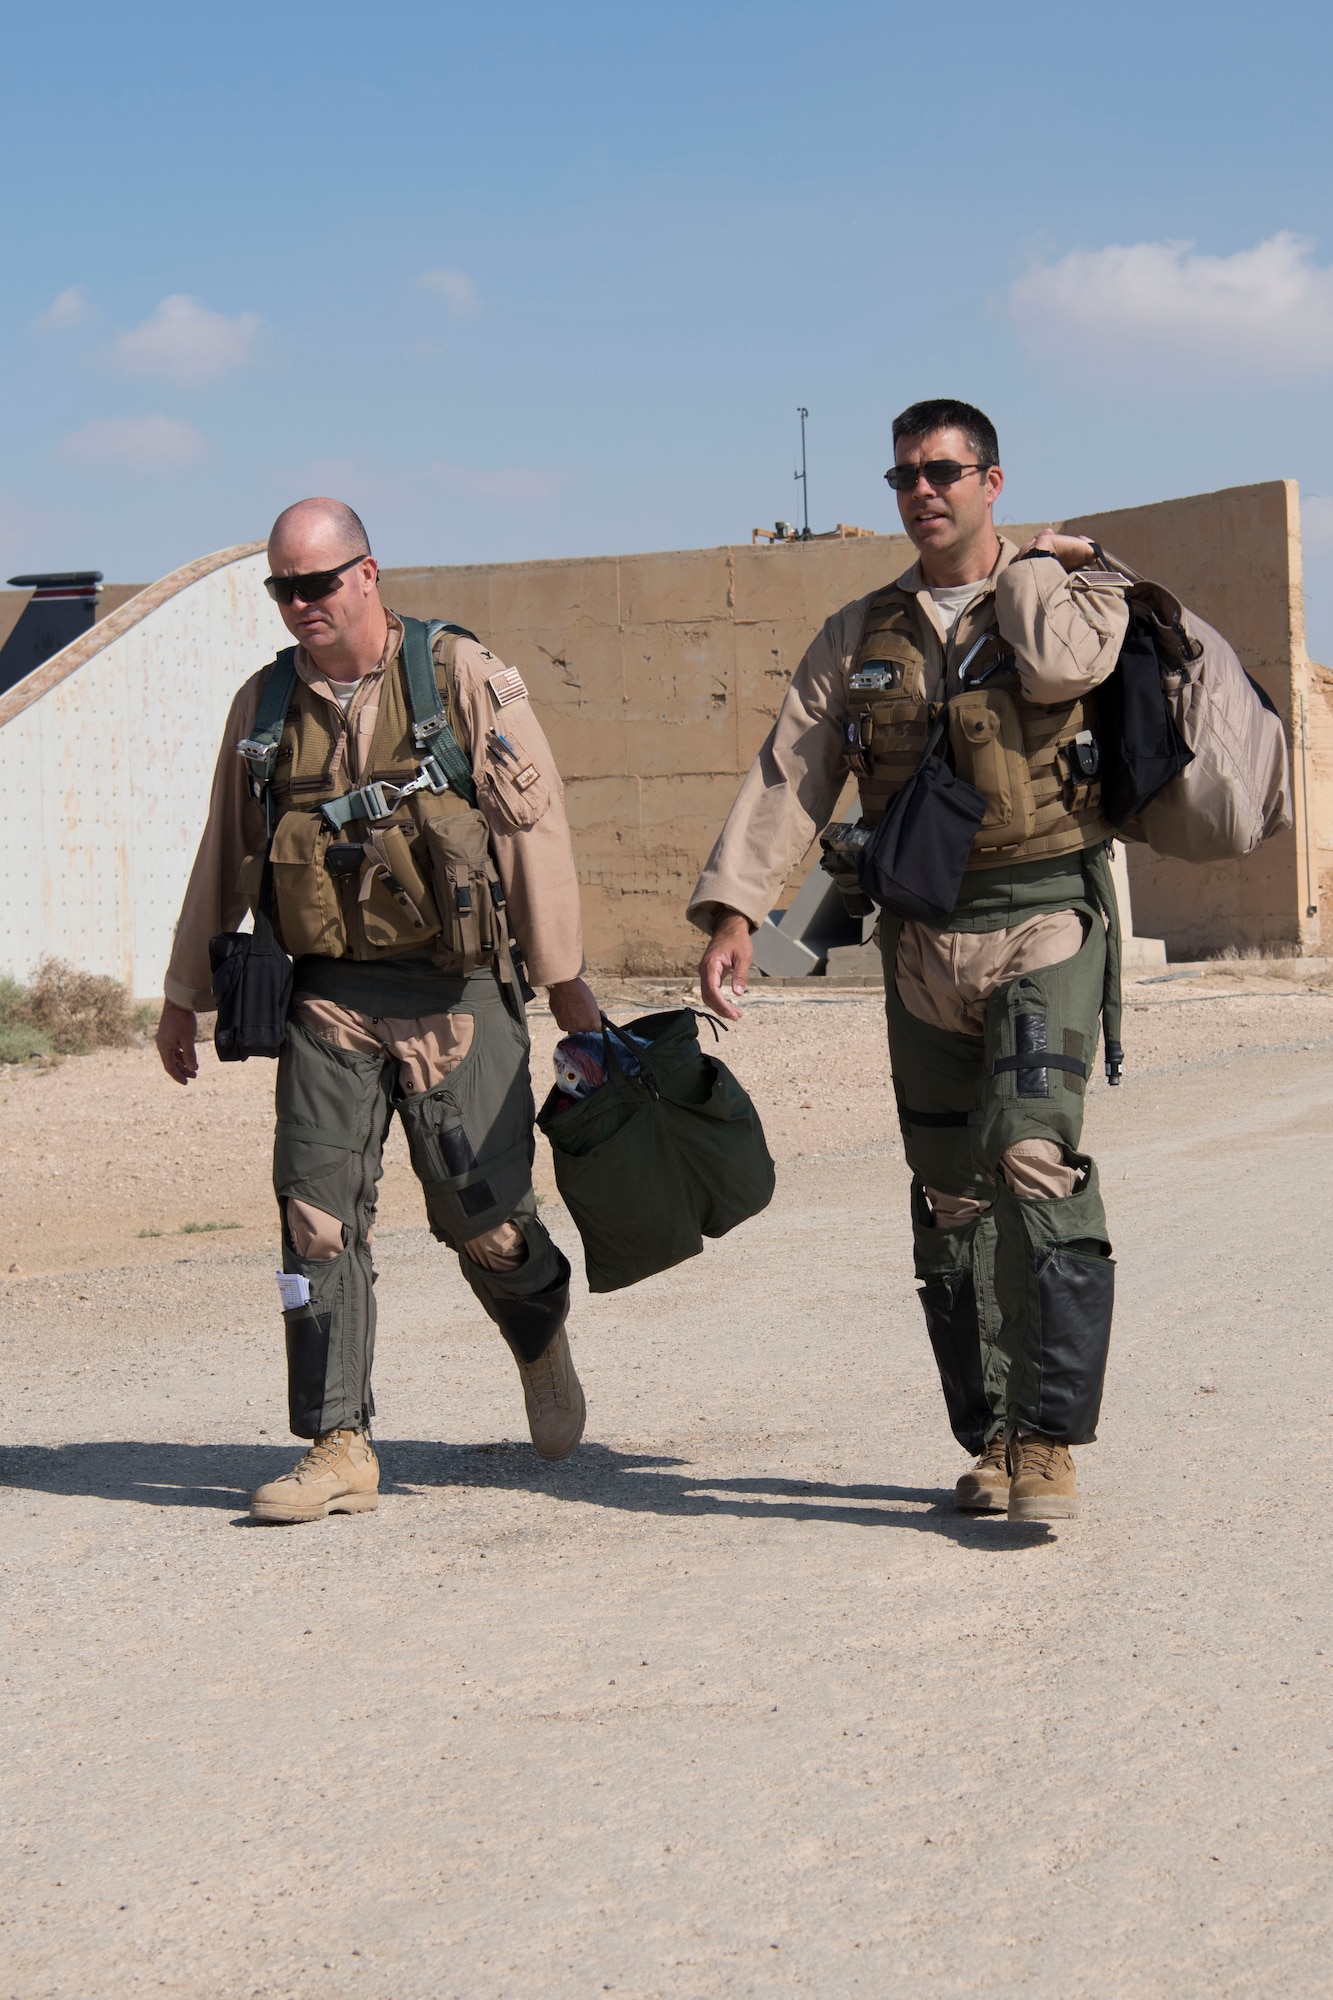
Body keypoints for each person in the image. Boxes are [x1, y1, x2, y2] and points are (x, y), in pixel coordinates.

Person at [690, 399, 1135, 1522]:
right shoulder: (859, 632)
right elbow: (793, 769)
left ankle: (1049, 1438)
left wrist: (1033, 567)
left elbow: (1066, 659)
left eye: (942, 470)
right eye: (902, 476)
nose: (920, 491)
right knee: (948, 1195)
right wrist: (738, 910)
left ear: (992, 478)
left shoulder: (1069, 591)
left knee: (1031, 1152)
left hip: (1044, 913)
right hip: (922, 937)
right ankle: (988, 1434)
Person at [156, 498, 601, 1524]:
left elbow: (535, 834)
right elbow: (223, 852)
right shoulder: (264, 709)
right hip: (328, 996)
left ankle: (537, 1332)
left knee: (484, 1222)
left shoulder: (457, 677)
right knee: (313, 1219)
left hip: (455, 993)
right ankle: (337, 1438)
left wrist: (567, 984)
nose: (301, 604)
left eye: (318, 582)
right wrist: (185, 993)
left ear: (367, 573)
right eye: (283, 588)